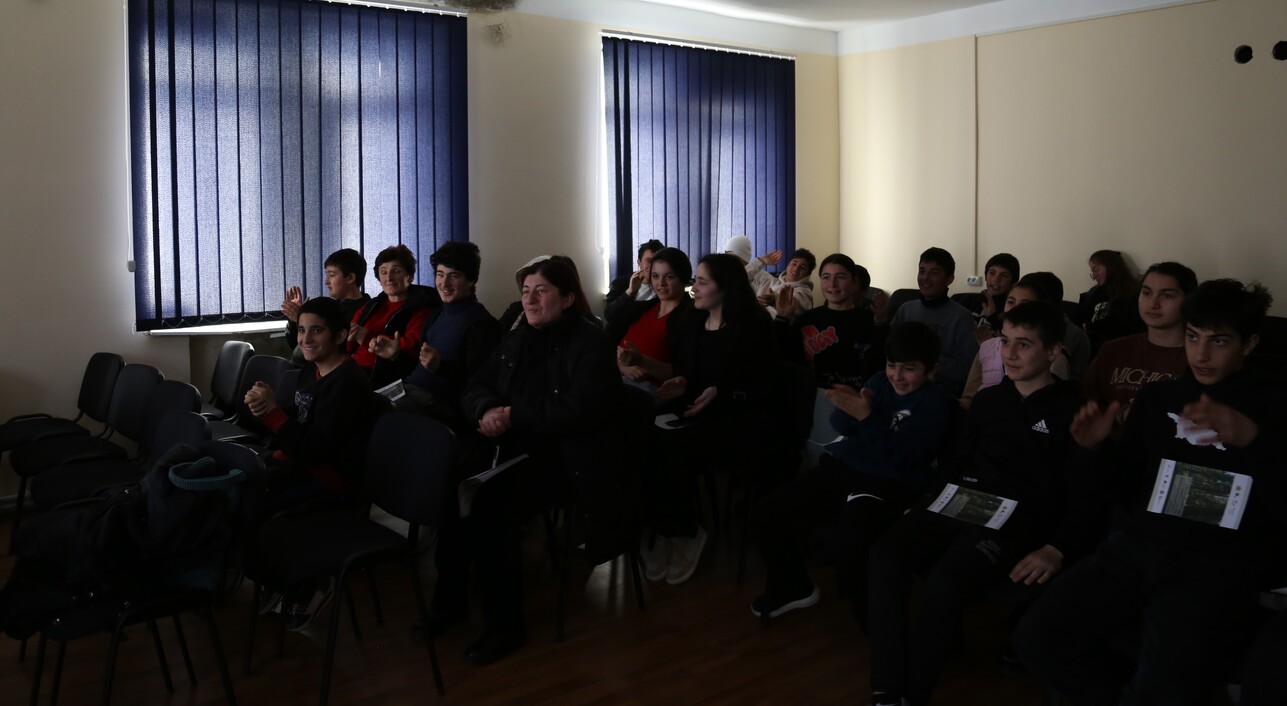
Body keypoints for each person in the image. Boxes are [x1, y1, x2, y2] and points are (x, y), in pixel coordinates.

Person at [1015, 279, 1287, 706]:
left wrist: (1256, 442)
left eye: (1218, 341)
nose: (1201, 354)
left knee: (1162, 686)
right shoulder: (1160, 397)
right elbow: (1123, 485)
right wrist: (1095, 450)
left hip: (1212, 563)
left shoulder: (1274, 406)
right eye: (1193, 337)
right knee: (1035, 639)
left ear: (1249, 344)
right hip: (1136, 547)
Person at [867, 301, 1092, 706]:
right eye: (1005, 341)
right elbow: (957, 463)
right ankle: (886, 687)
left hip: (1016, 519)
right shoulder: (990, 401)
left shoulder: (1071, 409)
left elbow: (1085, 492)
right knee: (885, 554)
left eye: (1024, 344)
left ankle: (913, 695)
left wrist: (1059, 547)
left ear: (1053, 352)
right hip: (963, 499)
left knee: (946, 580)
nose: (1010, 353)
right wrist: (927, 501)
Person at [445, 257, 623, 666]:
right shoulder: (519, 336)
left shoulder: (592, 342)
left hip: (570, 459)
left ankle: (506, 627)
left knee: (491, 506)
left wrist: (512, 415)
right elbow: (477, 383)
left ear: (568, 298)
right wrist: (486, 409)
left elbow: (577, 410)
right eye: (526, 292)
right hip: (514, 447)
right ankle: (450, 603)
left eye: (541, 291)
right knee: (448, 484)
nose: (530, 300)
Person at [751, 321, 952, 624]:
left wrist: (866, 416)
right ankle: (793, 587)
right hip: (845, 466)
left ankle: (874, 622)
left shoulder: (935, 404)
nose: (897, 376)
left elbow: (903, 457)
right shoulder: (879, 381)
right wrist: (849, 407)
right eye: (892, 365)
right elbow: (842, 427)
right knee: (767, 513)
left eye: (909, 369)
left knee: (852, 542)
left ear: (931, 370)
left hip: (890, 482)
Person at [244, 296, 381, 630]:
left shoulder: (347, 383)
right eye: (302, 329)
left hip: (331, 481)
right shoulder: (312, 370)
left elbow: (312, 449)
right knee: (237, 490)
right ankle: (277, 578)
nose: (305, 339)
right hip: (304, 464)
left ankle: (308, 585)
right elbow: (301, 425)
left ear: (340, 335)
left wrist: (273, 414)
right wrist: (270, 409)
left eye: (316, 330)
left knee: (249, 505)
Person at [641, 253, 776, 586]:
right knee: (644, 437)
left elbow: (763, 387)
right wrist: (682, 383)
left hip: (739, 420)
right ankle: (666, 529)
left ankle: (686, 532)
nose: (694, 289)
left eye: (702, 282)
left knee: (673, 448)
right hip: (697, 413)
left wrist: (721, 391)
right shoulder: (693, 322)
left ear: (725, 287)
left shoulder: (754, 328)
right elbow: (689, 375)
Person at [367, 241, 500, 431]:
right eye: (440, 274)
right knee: (355, 405)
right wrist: (396, 355)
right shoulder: (435, 315)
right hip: (407, 390)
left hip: (438, 404)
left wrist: (440, 367)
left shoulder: (481, 325)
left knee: (372, 419)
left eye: (453, 276)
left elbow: (477, 385)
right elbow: (417, 366)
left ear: (471, 280)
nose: (444, 283)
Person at [1083, 261, 1197, 427]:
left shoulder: (1200, 357)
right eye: (1147, 293)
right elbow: (1086, 404)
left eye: (1167, 295)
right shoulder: (1113, 350)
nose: (1153, 304)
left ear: (1188, 300)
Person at [959, 271, 1086, 407]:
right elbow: (968, 397)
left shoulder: (1055, 357)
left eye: (1023, 345)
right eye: (1011, 301)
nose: (1009, 354)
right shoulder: (987, 349)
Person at [775, 253, 887, 388]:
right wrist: (782, 318)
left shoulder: (871, 320)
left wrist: (882, 323)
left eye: (840, 277)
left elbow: (881, 365)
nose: (832, 284)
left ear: (854, 282)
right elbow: (781, 358)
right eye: (826, 277)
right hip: (813, 393)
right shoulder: (806, 320)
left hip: (858, 395)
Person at [890, 247, 978, 398]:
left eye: (934, 272)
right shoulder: (905, 310)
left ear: (949, 279)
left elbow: (966, 370)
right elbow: (890, 354)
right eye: (922, 271)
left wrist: (921, 362)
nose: (925, 277)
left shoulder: (962, 317)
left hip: (940, 391)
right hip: (900, 387)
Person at [349, 244, 441, 386]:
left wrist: (367, 338)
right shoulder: (371, 306)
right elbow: (347, 344)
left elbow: (413, 345)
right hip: (352, 368)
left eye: (396, 271)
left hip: (382, 377)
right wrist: (348, 337)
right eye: (383, 272)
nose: (389, 278)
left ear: (409, 276)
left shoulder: (421, 307)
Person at [611, 247, 694, 395]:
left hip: (652, 390)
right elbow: (613, 320)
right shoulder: (647, 307)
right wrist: (622, 367)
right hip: (619, 377)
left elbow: (682, 373)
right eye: (655, 276)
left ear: (683, 278)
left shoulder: (690, 317)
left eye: (669, 277)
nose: (660, 283)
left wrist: (642, 361)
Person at [281, 248, 370, 365]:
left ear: (350, 278)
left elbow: (337, 349)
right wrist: (297, 320)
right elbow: (296, 346)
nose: (326, 282)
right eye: (326, 275)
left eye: (332, 275)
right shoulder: (328, 307)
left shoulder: (367, 311)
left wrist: (300, 318)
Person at [1078, 249, 1144, 353]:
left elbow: (1128, 327)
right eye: (1092, 272)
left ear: (1110, 266)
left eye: (1096, 270)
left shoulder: (1132, 293)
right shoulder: (1094, 294)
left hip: (1118, 348)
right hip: (1092, 347)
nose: (1094, 276)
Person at [955, 253, 1020, 342]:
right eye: (992, 273)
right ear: (985, 276)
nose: (996, 279)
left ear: (1013, 282)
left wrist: (992, 317)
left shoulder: (1012, 307)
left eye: (1004, 275)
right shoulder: (967, 300)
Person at [604, 239, 664, 327]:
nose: (653, 266)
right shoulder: (621, 283)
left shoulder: (663, 288)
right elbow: (608, 315)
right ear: (639, 262)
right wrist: (629, 292)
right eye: (649, 261)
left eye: (658, 261)